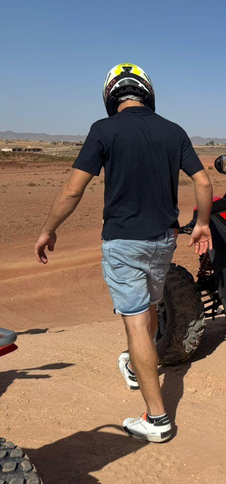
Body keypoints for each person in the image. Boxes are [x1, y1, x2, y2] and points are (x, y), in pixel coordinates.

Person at [33, 63, 214, 443]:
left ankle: (158, 420)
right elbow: (202, 180)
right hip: (163, 240)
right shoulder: (173, 130)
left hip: (124, 242)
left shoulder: (104, 130)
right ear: (146, 92)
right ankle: (136, 366)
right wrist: (202, 224)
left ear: (110, 95)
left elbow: (71, 190)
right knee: (147, 308)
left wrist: (49, 230)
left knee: (135, 321)